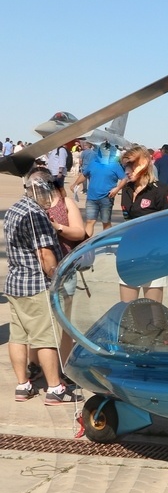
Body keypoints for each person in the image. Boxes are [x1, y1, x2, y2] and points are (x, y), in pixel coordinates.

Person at [4, 169, 79, 404]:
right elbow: (45, 254)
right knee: (45, 338)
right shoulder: (36, 214)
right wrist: (55, 274)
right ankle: (55, 387)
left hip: (16, 282)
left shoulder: (15, 209)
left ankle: (23, 384)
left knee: (18, 336)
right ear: (41, 189)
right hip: (36, 284)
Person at [119, 146, 168, 302]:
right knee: (127, 311)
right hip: (130, 254)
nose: (127, 171)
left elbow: (166, 225)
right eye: (125, 167)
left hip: (154, 256)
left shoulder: (160, 190)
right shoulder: (127, 189)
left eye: (131, 166)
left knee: (153, 313)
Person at [81, 142, 126, 237]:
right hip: (91, 197)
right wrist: (75, 184)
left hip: (107, 197)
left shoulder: (115, 165)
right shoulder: (93, 163)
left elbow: (124, 179)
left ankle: (107, 244)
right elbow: (84, 174)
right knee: (89, 221)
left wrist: (117, 189)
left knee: (105, 222)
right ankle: (85, 244)